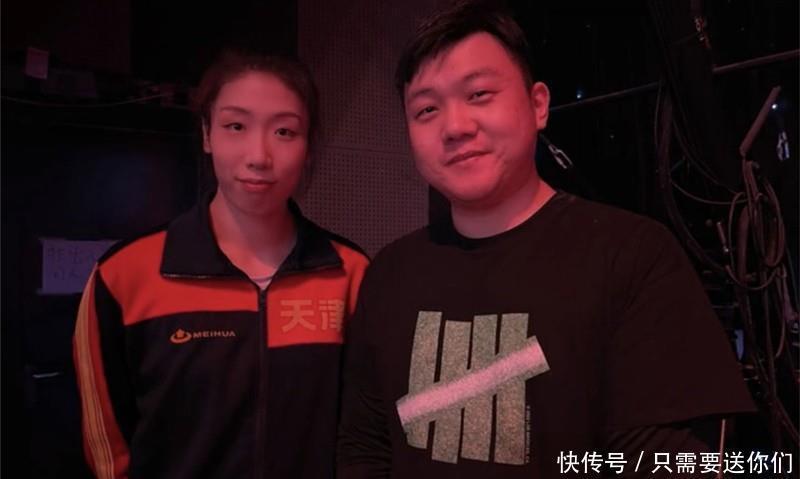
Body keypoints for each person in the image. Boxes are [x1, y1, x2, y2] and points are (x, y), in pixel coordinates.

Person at [337, 1, 754, 477]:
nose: (455, 127)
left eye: (478, 94)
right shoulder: (390, 274)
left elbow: (674, 461)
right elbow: (364, 449)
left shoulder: (633, 256)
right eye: (427, 109)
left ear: (538, 105)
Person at [73, 50, 369, 478]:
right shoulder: (124, 276)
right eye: (236, 126)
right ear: (207, 134)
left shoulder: (349, 274)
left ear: (308, 146)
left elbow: (364, 431)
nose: (259, 156)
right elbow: (108, 444)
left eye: (285, 131)